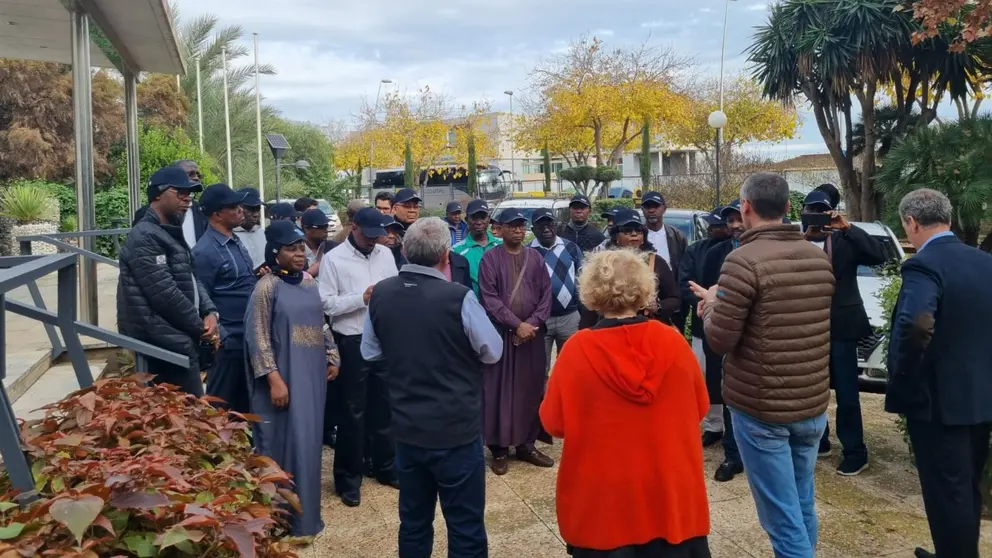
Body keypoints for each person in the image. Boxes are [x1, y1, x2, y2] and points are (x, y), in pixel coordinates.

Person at [691, 172, 834, 558]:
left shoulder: (742, 262)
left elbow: (720, 340)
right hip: (811, 404)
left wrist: (710, 307)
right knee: (802, 501)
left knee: (782, 517)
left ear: (746, 207)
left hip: (763, 409)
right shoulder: (817, 258)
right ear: (788, 208)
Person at [541, 249, 712, 558]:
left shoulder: (577, 351)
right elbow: (700, 408)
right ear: (644, 288)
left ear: (592, 291)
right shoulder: (673, 342)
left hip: (604, 507)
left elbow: (553, 423)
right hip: (669, 499)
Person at [361, 217, 502, 557]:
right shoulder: (459, 298)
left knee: (413, 522)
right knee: (465, 526)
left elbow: (370, 351)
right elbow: (492, 351)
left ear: (405, 251)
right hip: (456, 430)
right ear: (445, 255)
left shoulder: (381, 294)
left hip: (408, 429)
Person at [884, 189, 992, 558]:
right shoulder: (984, 262)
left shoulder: (923, 264)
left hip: (937, 402)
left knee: (947, 493)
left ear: (911, 223)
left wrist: (904, 380)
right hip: (980, 396)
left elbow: (916, 325)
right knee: (967, 487)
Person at [245, 219, 340, 541]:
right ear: (275, 252)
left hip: (312, 377)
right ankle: (280, 523)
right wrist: (274, 379)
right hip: (283, 378)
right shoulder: (266, 288)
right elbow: (256, 338)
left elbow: (320, 323)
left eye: (302, 248)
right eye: (292, 249)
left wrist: (332, 354)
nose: (300, 254)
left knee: (309, 445)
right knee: (282, 445)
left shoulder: (309, 284)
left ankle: (308, 520)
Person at [801, 190, 888, 475]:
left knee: (848, 394)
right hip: (807, 330)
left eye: (822, 209)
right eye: (811, 208)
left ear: (831, 212)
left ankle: (855, 451)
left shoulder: (844, 241)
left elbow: (879, 256)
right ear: (802, 211)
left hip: (841, 329)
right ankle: (820, 440)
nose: (816, 213)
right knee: (812, 391)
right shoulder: (795, 244)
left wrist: (848, 227)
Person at [319, 207, 400, 506]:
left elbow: (395, 289)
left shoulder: (385, 255)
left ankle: (385, 467)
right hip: (352, 340)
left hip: (383, 339)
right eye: (368, 235)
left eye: (377, 235)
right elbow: (325, 304)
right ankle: (348, 479)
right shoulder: (334, 259)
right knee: (352, 413)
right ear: (354, 228)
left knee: (385, 408)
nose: (373, 241)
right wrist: (361, 298)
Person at [118, 167, 218, 396]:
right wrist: (200, 327)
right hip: (163, 340)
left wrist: (210, 311)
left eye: (190, 194)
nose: (188, 199)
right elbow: (165, 294)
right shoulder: (144, 235)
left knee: (194, 416)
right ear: (158, 194)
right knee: (187, 416)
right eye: (181, 193)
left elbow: (191, 277)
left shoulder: (169, 232)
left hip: (181, 337)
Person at [478, 208, 554, 475]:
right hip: (502, 334)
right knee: (498, 389)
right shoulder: (490, 259)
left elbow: (546, 295)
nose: (519, 230)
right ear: (499, 229)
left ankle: (526, 444)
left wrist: (531, 325)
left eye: (521, 225)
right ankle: (499, 449)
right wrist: (516, 324)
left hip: (532, 336)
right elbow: (488, 298)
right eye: (512, 225)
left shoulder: (535, 257)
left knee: (530, 388)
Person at [191, 184, 255, 413]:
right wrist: (222, 338)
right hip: (228, 342)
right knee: (220, 407)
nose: (240, 210)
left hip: (247, 338)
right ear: (217, 214)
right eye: (233, 206)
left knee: (245, 406)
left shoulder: (234, 241)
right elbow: (201, 295)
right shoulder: (205, 251)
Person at [695, 200, 747, 482]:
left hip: (760, 339)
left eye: (740, 218)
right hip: (726, 336)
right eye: (730, 220)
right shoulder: (715, 254)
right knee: (728, 394)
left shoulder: (771, 254)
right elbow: (707, 293)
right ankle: (733, 455)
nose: (736, 225)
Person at [679, 207, 730, 450]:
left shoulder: (737, 250)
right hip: (703, 325)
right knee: (706, 377)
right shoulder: (695, 249)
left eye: (719, 225)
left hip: (733, 327)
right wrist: (702, 301)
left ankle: (733, 430)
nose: (714, 229)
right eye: (711, 225)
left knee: (729, 379)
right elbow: (685, 283)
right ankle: (713, 426)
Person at [581, 209, 680, 328]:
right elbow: (590, 305)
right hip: (610, 329)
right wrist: (586, 332)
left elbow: (675, 298)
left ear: (644, 236)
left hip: (646, 331)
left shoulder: (656, 262)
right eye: (627, 230)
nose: (634, 234)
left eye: (638, 230)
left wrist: (658, 306)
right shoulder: (603, 263)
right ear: (616, 236)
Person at [530, 208, 582, 370]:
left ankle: (567, 396)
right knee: (540, 368)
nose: (546, 229)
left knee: (570, 366)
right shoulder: (528, 252)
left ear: (556, 225)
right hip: (540, 319)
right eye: (541, 226)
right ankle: (543, 396)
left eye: (550, 224)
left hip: (570, 316)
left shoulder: (571, 248)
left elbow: (582, 278)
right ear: (533, 229)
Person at [132, 160, 208, 249]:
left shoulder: (202, 211)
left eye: (198, 175)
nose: (196, 178)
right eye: (190, 174)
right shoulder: (144, 215)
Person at [641, 191, 688, 331]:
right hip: (644, 306)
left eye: (656, 206)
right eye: (647, 206)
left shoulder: (677, 236)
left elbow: (684, 269)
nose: (651, 210)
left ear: (664, 208)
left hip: (671, 302)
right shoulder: (636, 235)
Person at [453, 199, 502, 295]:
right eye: (474, 218)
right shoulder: (456, 251)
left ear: (489, 219)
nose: (479, 222)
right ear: (467, 220)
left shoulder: (503, 245)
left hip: (502, 307)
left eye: (483, 217)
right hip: (473, 307)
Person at [234, 187, 266, 269]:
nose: (256, 214)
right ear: (238, 209)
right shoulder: (229, 237)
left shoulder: (264, 234)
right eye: (251, 209)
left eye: (258, 209)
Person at [301, 208, 330, 277]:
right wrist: (307, 274)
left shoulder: (334, 247)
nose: (326, 230)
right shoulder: (296, 252)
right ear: (306, 229)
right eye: (321, 227)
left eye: (326, 226)